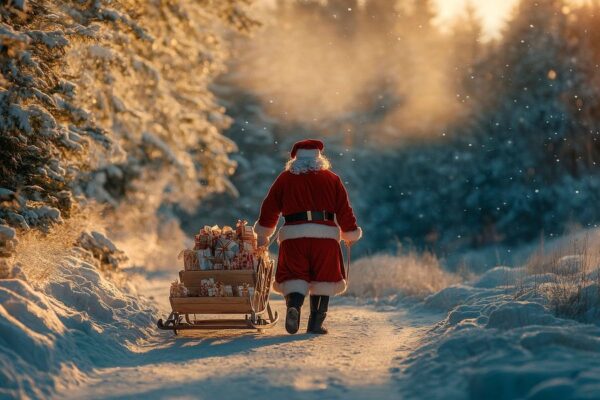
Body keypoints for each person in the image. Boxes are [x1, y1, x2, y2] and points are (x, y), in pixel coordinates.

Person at [254, 139, 362, 334]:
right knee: (324, 279)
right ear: (318, 158)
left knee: (295, 275)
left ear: (296, 158)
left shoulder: (285, 179)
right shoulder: (331, 178)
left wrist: (264, 233)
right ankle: (315, 323)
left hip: (294, 237)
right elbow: (344, 209)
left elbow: (269, 207)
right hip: (325, 238)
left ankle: (293, 306)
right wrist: (349, 232)